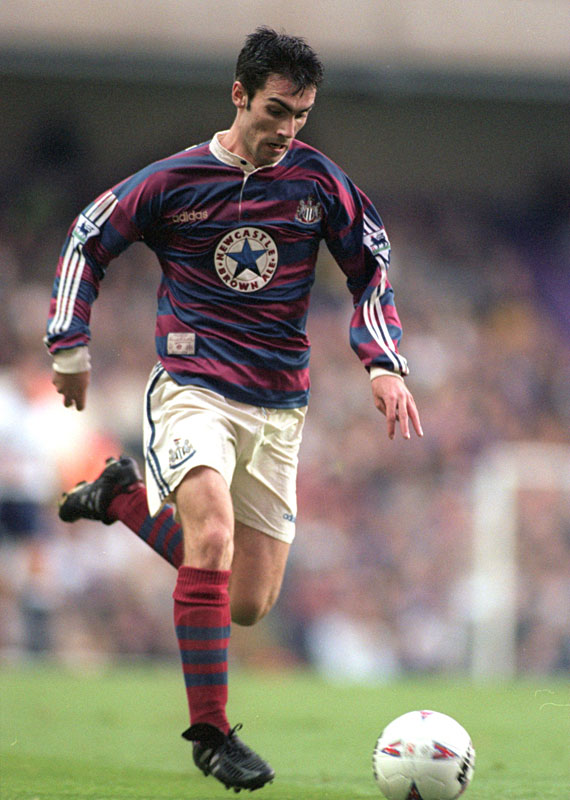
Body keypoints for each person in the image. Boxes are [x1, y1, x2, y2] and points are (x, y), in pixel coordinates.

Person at [46, 26, 423, 792]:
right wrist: (69, 344)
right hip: (192, 387)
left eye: (301, 115)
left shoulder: (318, 183)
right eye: (276, 110)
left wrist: (383, 361)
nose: (287, 129)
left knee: (247, 603)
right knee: (211, 533)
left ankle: (121, 497)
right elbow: (88, 239)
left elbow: (372, 266)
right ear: (239, 94)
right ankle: (212, 735)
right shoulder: (174, 180)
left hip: (279, 405)